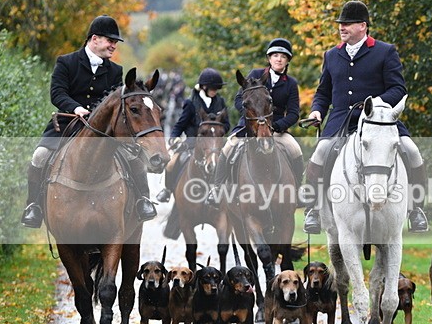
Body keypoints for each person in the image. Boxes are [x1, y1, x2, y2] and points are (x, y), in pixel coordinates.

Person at [302, 0, 428, 234]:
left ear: (363, 26)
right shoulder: (331, 55)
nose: (342, 27)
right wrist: (317, 109)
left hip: (378, 120)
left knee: (411, 151)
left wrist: (374, 105)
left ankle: (416, 208)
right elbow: (323, 92)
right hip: (341, 120)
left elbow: (398, 89)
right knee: (320, 152)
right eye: (341, 24)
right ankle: (314, 209)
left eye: (347, 24)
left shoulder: (385, 51)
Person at [21, 15, 157, 228]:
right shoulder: (66, 62)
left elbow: (112, 101)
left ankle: (142, 200)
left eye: (115, 42)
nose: (113, 45)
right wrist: (76, 108)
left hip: (102, 129)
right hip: (68, 123)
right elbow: (57, 93)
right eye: (110, 40)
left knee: (134, 156)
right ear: (95, 39)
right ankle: (34, 206)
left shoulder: (115, 70)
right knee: (40, 156)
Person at [207, 37, 304, 204]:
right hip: (249, 126)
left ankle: (299, 190)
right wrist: (250, 116)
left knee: (296, 150)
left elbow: (294, 113)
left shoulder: (291, 83)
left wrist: (277, 126)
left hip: (276, 129)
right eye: (275, 55)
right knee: (227, 148)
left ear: (287, 60)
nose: (279, 59)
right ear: (269, 58)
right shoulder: (255, 74)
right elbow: (239, 100)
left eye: (283, 56)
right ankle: (217, 189)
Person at [155, 68, 230, 202]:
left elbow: (227, 124)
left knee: (229, 160)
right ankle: (167, 189)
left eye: (217, 88)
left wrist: (218, 129)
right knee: (172, 162)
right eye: (213, 88)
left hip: (214, 142)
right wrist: (174, 136)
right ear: (204, 87)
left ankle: (226, 190)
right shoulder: (190, 103)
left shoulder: (220, 102)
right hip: (193, 141)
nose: (215, 91)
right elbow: (181, 123)